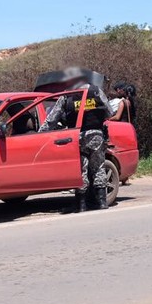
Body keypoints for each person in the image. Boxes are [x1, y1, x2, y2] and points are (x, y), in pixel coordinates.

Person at [39, 68, 113, 211]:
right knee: (98, 167)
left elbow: (52, 119)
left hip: (76, 137)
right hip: (96, 135)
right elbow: (109, 112)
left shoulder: (67, 95)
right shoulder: (96, 91)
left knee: (81, 170)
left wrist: (40, 134)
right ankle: (102, 203)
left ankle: (81, 205)